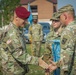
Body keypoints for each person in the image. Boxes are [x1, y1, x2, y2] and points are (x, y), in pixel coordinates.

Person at [0, 6, 48, 75]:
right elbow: (19, 55)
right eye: (24, 19)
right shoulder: (12, 33)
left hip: (17, 69)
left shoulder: (17, 30)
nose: (26, 22)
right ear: (16, 18)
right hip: (12, 71)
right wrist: (38, 61)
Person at [48, 4, 76, 75]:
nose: (59, 19)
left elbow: (66, 58)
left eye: (59, 17)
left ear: (65, 16)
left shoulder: (68, 31)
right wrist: (57, 64)